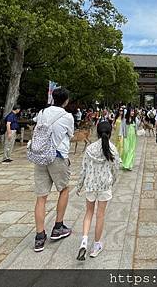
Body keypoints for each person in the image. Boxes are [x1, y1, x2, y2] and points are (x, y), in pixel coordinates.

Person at [33, 88, 74, 252]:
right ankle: (58, 226)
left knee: (41, 197)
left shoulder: (42, 112)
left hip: (40, 156)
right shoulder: (67, 116)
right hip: (57, 156)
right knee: (64, 189)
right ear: (66, 101)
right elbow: (69, 134)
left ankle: (39, 236)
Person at [76, 121, 121, 260]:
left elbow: (84, 169)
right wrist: (113, 181)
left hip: (90, 184)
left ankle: (84, 241)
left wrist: (79, 185)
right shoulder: (112, 149)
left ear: (97, 132)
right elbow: (115, 169)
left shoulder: (90, 149)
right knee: (100, 215)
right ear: (110, 132)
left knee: (88, 213)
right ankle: (96, 246)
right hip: (104, 186)